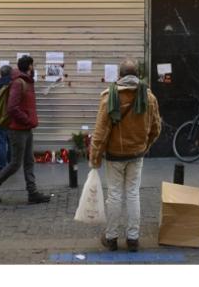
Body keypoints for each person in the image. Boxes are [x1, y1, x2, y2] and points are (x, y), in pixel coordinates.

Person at [88, 58, 161, 252]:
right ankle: (133, 239)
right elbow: (156, 128)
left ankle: (111, 238)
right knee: (133, 194)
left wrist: (94, 158)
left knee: (114, 195)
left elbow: (100, 132)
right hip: (136, 155)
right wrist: (145, 146)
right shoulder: (149, 97)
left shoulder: (108, 96)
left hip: (114, 156)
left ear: (119, 76)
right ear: (137, 76)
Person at [0, 56, 50, 204]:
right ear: (30, 67)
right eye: (33, 65)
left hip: (26, 128)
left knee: (29, 161)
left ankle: (32, 193)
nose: (34, 68)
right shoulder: (18, 83)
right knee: (15, 163)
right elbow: (12, 108)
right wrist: (27, 120)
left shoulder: (26, 81)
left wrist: (29, 122)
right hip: (18, 129)